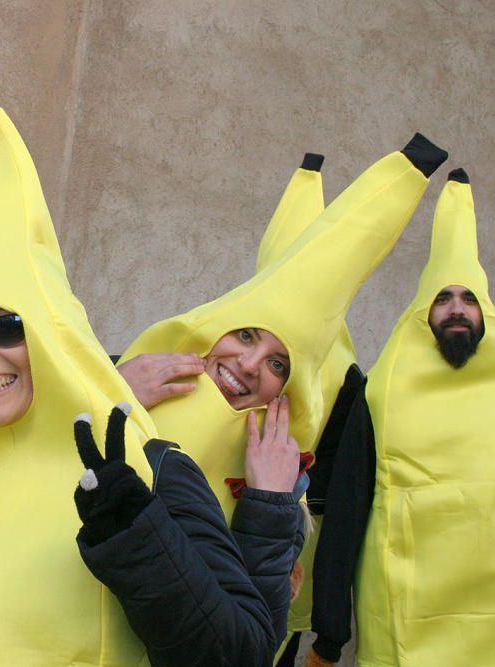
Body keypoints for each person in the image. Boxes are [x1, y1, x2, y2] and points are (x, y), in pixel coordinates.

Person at [0, 85, 295, 667]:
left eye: (5, 328)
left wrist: (136, 531)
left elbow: (240, 653)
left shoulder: (154, 468)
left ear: (51, 340)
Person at [118, 134, 449, 659]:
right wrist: (105, 397)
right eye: (246, 335)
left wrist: (270, 507)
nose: (249, 365)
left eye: (278, 364)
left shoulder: (282, 488)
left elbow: (250, 642)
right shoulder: (121, 374)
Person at [307, 169, 495, 667]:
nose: (456, 309)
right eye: (443, 299)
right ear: (421, 314)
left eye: (469, 298)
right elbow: (347, 509)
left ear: (487, 314)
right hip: (401, 613)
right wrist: (329, 634)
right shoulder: (381, 392)